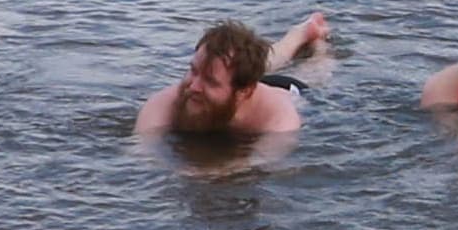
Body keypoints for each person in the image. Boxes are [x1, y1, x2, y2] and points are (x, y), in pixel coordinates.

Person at [137, 12, 331, 143]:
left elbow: (260, 163)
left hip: (289, 90)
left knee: (316, 71)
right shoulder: (167, 102)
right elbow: (143, 156)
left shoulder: (280, 119)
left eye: (209, 81)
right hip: (235, 84)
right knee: (254, 64)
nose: (193, 87)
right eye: (194, 71)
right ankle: (299, 34)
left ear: (244, 91)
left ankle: (319, 43)